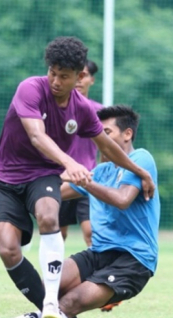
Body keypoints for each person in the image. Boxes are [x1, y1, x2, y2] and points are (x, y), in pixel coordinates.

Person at [0, 37, 155, 318]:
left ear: (79, 77)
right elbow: (38, 137)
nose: (55, 80)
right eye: (52, 72)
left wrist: (141, 172)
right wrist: (72, 167)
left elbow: (118, 185)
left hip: (130, 257)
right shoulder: (30, 89)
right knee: (9, 249)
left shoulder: (135, 153)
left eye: (63, 76)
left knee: (49, 217)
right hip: (11, 180)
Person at [0, 105, 159, 318]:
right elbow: (49, 193)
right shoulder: (100, 171)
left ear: (128, 134)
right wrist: (6, 179)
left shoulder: (141, 159)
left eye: (107, 133)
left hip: (134, 260)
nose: (101, 140)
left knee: (69, 302)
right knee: (48, 288)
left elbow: (122, 200)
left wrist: (83, 181)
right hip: (99, 254)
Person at [59, 60, 102, 248]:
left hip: (88, 178)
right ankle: (55, 274)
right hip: (63, 178)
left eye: (84, 75)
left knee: (91, 232)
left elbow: (108, 147)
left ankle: (95, 274)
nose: (79, 79)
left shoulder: (100, 111)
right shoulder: (58, 108)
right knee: (57, 232)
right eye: (76, 74)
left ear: (91, 79)